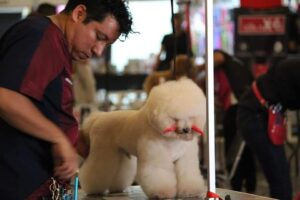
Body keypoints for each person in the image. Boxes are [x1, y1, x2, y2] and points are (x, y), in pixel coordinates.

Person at [0, 0, 133, 199]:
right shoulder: (39, 35)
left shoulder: (59, 48)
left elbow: (42, 110)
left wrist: (81, 142)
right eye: (98, 37)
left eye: (106, 44)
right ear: (79, 14)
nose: (98, 51)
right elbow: (5, 97)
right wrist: (59, 138)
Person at [237, 57, 297, 200]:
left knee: (282, 176)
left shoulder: (292, 65)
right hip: (255, 115)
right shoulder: (293, 67)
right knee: (279, 179)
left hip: (262, 113)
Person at [213, 50, 257, 193]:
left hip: (235, 112)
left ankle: (237, 186)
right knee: (246, 151)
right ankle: (249, 186)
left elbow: (222, 92)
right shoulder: (237, 65)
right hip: (249, 111)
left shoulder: (225, 67)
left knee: (234, 151)